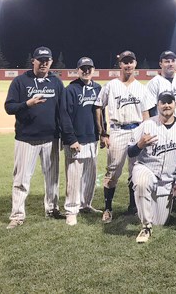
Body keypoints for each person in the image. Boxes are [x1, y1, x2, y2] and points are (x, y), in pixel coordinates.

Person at [4, 46, 76, 229]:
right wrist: (27, 104)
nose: (44, 63)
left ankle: (51, 209)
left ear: (51, 62)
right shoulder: (20, 82)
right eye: (40, 60)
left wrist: (68, 136)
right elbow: (9, 107)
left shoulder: (56, 83)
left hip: (51, 139)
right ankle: (17, 215)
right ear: (33, 61)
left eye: (47, 60)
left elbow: (63, 112)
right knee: (21, 179)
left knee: (52, 178)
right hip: (26, 139)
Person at [94, 50, 152, 224]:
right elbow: (98, 106)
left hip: (136, 131)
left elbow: (146, 114)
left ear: (135, 64)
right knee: (113, 172)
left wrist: (145, 134)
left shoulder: (141, 88)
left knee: (136, 171)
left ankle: (133, 207)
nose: (128, 65)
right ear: (120, 64)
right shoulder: (111, 85)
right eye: (125, 62)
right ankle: (108, 208)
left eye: (131, 62)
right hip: (118, 131)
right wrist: (102, 132)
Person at [128, 91, 176, 243]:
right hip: (146, 168)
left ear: (175, 105)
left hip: (167, 180)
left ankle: (148, 211)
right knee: (142, 182)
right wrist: (139, 145)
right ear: (158, 106)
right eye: (163, 102)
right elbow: (130, 152)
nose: (166, 105)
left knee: (161, 222)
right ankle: (145, 227)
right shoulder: (147, 125)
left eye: (170, 102)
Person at [61, 57, 103, 226]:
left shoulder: (98, 88)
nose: (86, 71)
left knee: (90, 176)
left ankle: (86, 204)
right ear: (77, 70)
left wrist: (103, 134)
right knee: (74, 177)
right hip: (76, 140)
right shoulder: (70, 90)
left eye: (89, 68)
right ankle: (71, 209)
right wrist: (71, 139)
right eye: (83, 68)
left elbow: (101, 113)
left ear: (93, 69)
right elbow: (64, 116)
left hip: (92, 138)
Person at [146, 50, 176, 128]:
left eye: (173, 61)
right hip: (161, 125)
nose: (171, 64)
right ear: (160, 64)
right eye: (167, 61)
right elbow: (151, 110)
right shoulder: (153, 83)